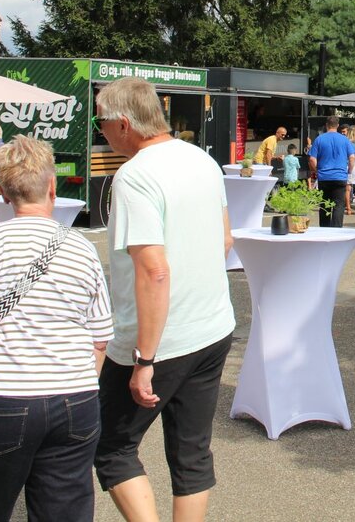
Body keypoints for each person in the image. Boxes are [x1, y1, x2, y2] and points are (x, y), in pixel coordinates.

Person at [0, 135, 113, 522]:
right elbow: (99, 337)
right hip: (75, 399)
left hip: (2, 398)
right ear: (52, 186)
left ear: (5, 191)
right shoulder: (83, 248)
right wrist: (77, 381)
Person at [92, 77, 236, 521]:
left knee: (111, 446)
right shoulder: (202, 160)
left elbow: (154, 270)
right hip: (212, 327)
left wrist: (144, 358)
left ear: (122, 124)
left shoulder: (135, 175)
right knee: (191, 450)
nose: (102, 133)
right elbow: (225, 239)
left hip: (161, 338)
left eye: (101, 124)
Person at [307, 116, 355, 227]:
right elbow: (352, 157)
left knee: (325, 205)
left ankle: (325, 230)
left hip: (324, 177)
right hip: (340, 176)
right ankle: (336, 230)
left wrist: (317, 170)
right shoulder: (344, 139)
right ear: (338, 126)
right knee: (338, 205)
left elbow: (311, 159)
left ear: (326, 125)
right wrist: (349, 170)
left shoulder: (319, 139)